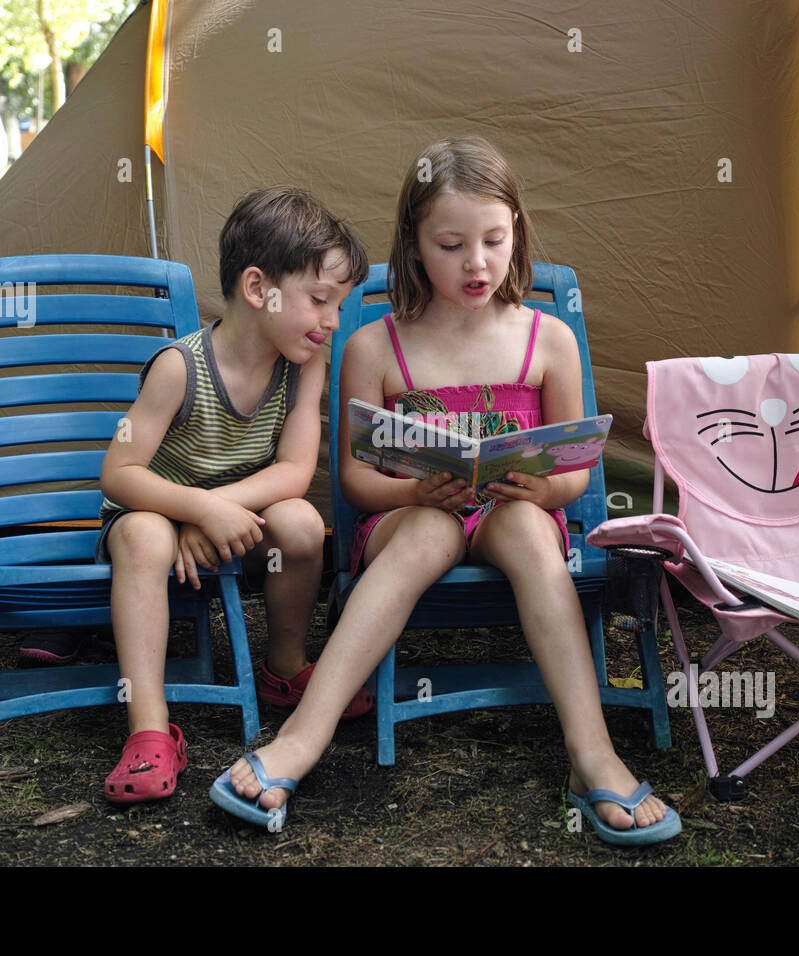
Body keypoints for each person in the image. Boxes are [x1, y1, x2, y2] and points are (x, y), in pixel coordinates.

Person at [211, 138, 681, 845]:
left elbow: (578, 470)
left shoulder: (547, 340)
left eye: (494, 239)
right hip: (411, 519)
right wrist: (413, 496)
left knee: (524, 527)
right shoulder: (375, 346)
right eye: (452, 244)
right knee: (432, 531)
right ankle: (303, 739)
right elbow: (354, 480)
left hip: (515, 512)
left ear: (516, 231)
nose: (477, 263)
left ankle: (593, 754)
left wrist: (540, 484)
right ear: (414, 245)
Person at [99, 186, 370, 804]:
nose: (333, 321)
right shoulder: (180, 368)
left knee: (301, 523)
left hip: (234, 521)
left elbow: (296, 471)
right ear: (258, 289)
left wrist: (222, 508)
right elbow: (118, 473)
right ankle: (147, 729)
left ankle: (283, 667)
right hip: (155, 517)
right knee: (143, 533)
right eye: (320, 301)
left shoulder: (305, 366)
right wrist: (196, 508)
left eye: (338, 305)